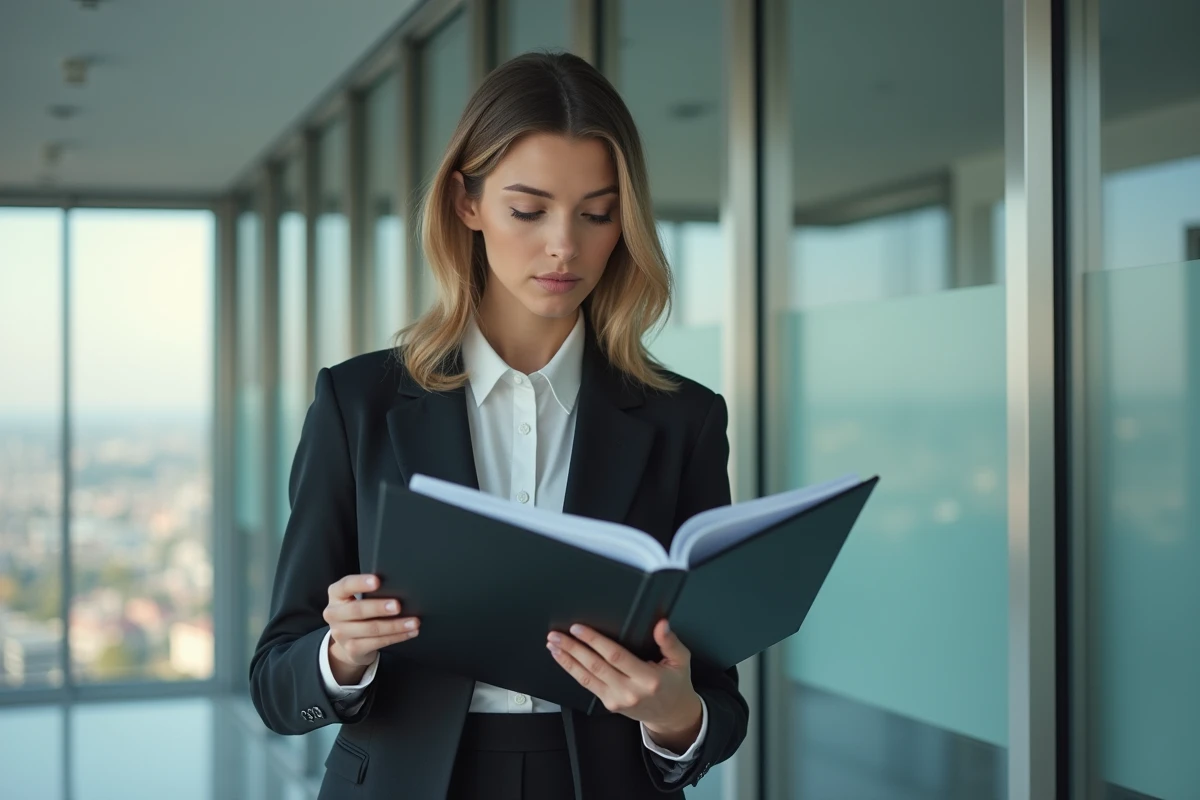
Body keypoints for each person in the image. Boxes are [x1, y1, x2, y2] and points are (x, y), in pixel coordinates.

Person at [249, 51, 748, 800]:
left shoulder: (685, 419)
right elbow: (277, 682)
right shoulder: (359, 404)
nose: (564, 245)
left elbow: (716, 696)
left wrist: (676, 716)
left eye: (597, 213)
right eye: (528, 209)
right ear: (466, 203)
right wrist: (341, 654)